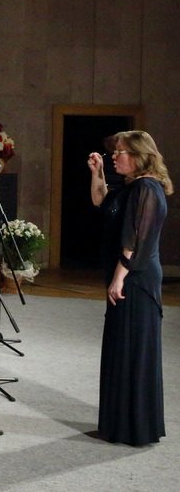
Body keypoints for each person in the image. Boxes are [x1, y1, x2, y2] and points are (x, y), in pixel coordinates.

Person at [87, 130, 171, 446]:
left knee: (132, 349)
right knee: (121, 348)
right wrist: (97, 172)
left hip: (136, 281)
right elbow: (100, 200)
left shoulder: (147, 189)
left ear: (138, 155)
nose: (114, 156)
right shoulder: (130, 188)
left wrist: (119, 277)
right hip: (127, 277)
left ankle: (134, 428)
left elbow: (136, 238)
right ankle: (119, 424)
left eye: (119, 152)